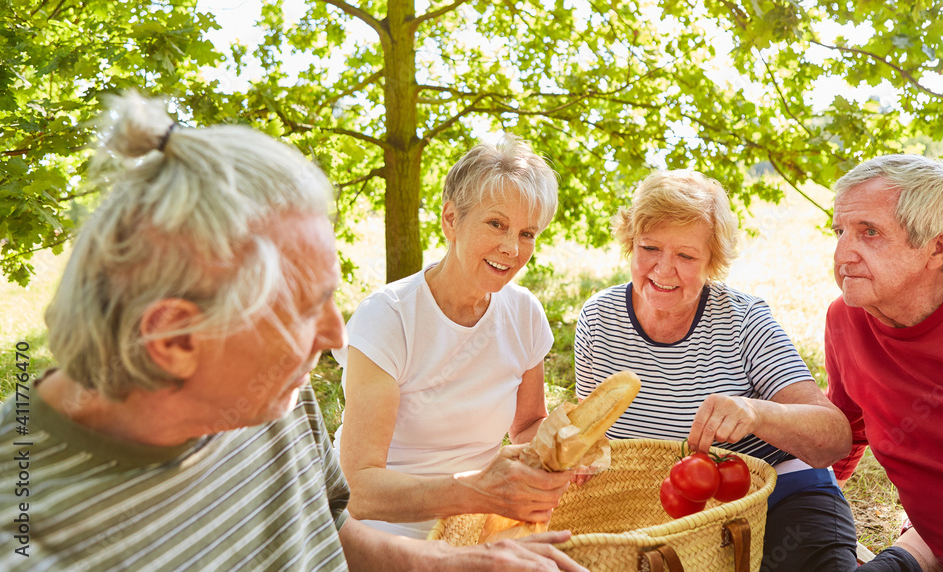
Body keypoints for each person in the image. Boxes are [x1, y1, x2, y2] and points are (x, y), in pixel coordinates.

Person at [0, 91, 586, 572]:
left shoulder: (274, 394)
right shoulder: (30, 540)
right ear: (174, 342)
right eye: (304, 309)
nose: (335, 336)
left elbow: (331, 527)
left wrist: (462, 564)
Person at [574, 169, 857, 571]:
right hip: (672, 512)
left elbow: (834, 439)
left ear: (713, 261)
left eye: (686, 256)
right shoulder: (600, 318)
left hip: (779, 493)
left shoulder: (743, 319)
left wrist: (757, 412)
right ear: (630, 243)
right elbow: (593, 436)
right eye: (649, 247)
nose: (663, 269)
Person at [332, 135, 572, 539]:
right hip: (377, 534)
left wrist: (560, 448)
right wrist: (477, 492)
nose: (512, 248)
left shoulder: (524, 313)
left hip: (471, 526)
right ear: (450, 220)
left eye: (528, 233)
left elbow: (529, 423)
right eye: (496, 223)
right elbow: (359, 489)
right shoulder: (388, 317)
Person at [825, 154, 943, 572]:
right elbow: (845, 432)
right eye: (839, 231)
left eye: (869, 233)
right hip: (935, 543)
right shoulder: (846, 318)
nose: (842, 253)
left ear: (936, 248)